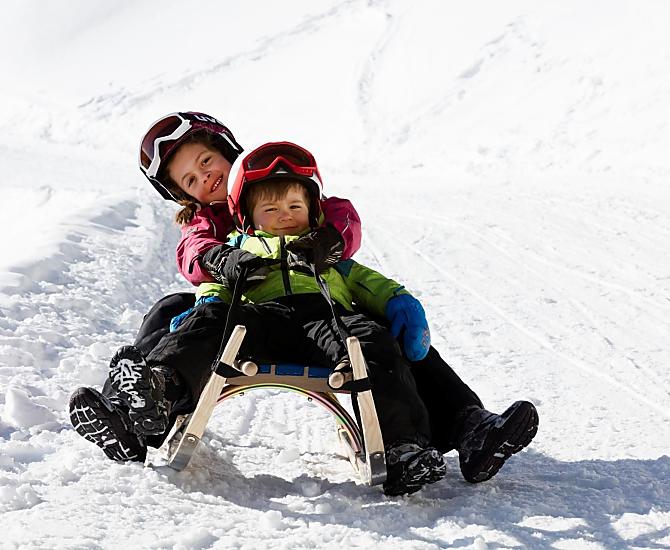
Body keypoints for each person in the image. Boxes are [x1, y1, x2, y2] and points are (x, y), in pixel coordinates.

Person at [69, 112, 538, 492]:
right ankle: (134, 406)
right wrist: (216, 260)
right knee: (175, 313)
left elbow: (340, 216)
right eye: (190, 179)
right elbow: (192, 252)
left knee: (381, 335)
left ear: (229, 150)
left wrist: (329, 242)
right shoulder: (210, 222)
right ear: (183, 194)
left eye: (207, 160)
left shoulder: (281, 184)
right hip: (249, 310)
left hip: (320, 304)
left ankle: (463, 427)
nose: (205, 177)